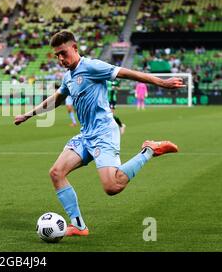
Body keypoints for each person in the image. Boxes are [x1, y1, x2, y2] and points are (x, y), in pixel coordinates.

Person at [14, 31, 184, 237]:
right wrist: (29, 115)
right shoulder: (68, 76)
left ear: (75, 49)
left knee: (112, 186)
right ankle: (78, 226)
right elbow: (56, 99)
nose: (60, 58)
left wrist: (161, 82)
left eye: (63, 53)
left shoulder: (92, 66)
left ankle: (149, 150)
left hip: (104, 133)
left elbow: (127, 73)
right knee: (56, 173)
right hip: (86, 135)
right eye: (57, 55)